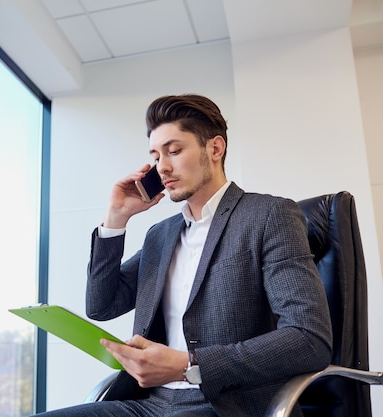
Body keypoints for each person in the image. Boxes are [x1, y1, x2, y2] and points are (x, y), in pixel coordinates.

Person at [34, 94, 332, 417]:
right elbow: (101, 305)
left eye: (174, 151)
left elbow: (309, 339)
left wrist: (188, 365)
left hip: (225, 405)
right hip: (150, 405)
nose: (162, 166)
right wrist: (115, 219)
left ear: (215, 149)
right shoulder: (160, 236)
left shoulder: (268, 216)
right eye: (155, 155)